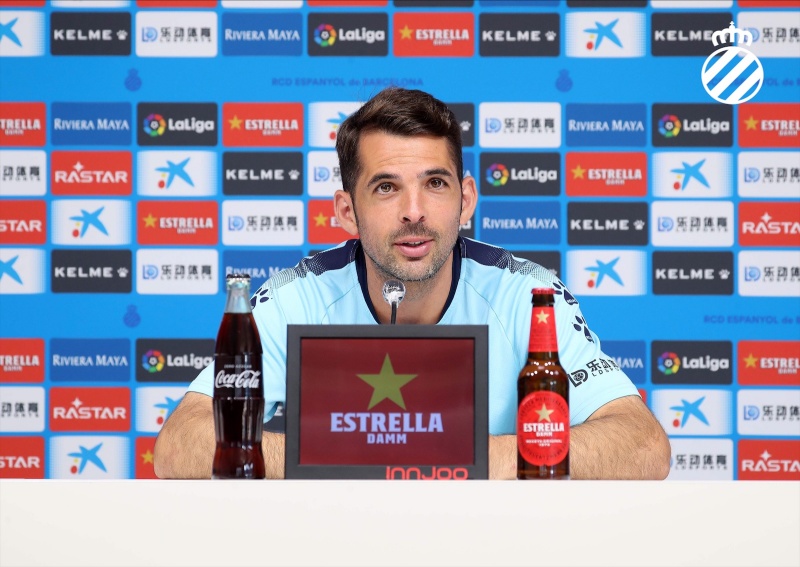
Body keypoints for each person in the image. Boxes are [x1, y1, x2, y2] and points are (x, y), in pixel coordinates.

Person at [154, 87, 670, 480]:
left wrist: (455, 457)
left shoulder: (527, 294)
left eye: (435, 183)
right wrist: (358, 454)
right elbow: (178, 445)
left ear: (466, 200)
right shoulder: (295, 298)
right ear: (347, 211)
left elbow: (642, 445)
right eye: (386, 187)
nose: (414, 212)